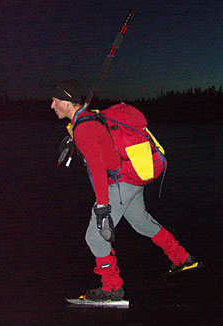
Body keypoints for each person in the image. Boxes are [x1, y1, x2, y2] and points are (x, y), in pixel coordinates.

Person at [51, 79, 201, 301]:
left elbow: (98, 168)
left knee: (95, 236)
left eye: (55, 101)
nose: (52, 106)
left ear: (67, 102)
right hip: (131, 177)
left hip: (121, 182)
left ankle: (111, 288)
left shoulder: (85, 126)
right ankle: (183, 258)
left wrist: (102, 206)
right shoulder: (86, 121)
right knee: (142, 222)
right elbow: (108, 155)